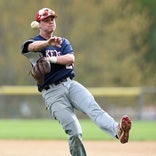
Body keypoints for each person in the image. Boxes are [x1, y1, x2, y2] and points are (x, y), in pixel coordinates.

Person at [21, 8, 132, 156]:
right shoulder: (34, 42)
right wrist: (47, 43)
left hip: (70, 84)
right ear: (39, 24)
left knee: (94, 109)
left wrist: (50, 59)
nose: (50, 22)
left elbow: (70, 58)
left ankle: (118, 132)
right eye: (46, 20)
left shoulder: (63, 41)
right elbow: (30, 47)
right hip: (52, 92)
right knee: (74, 131)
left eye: (52, 19)